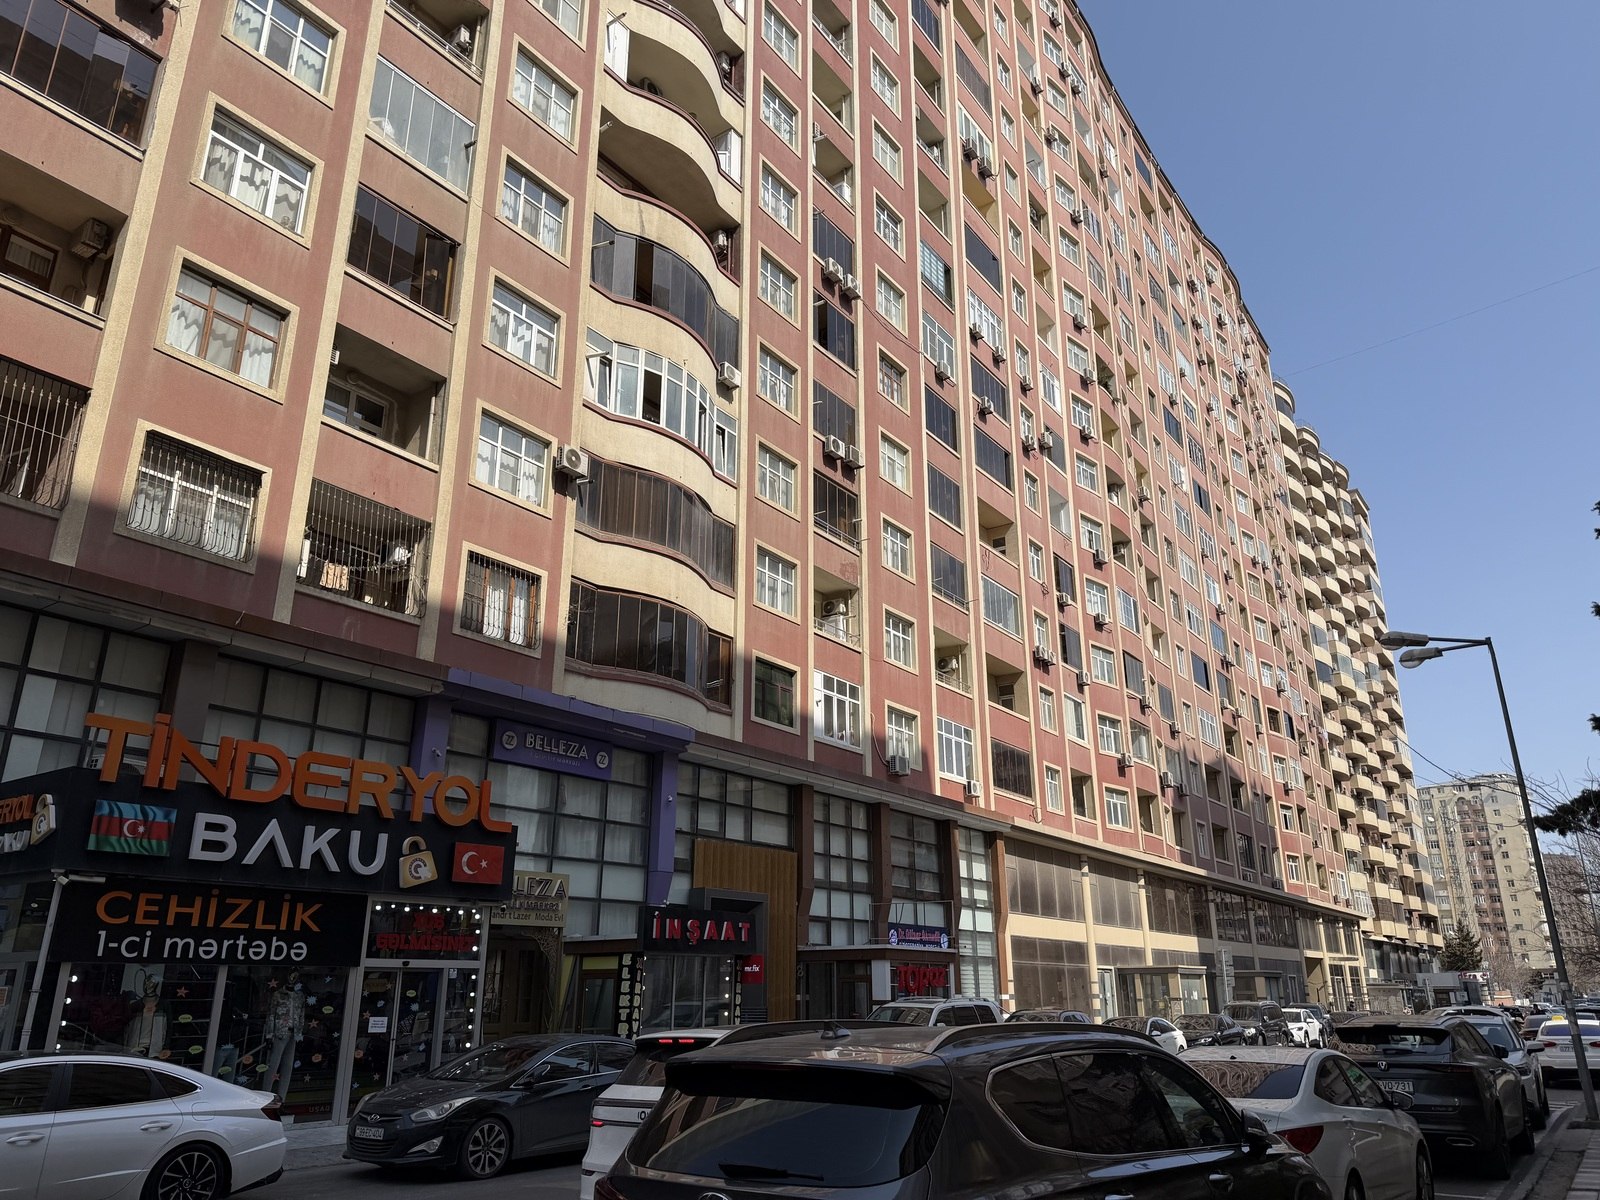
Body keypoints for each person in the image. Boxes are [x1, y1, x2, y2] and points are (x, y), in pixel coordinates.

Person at [263, 971, 306, 1102]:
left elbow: (301, 1015)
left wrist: (299, 1033)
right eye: (291, 975)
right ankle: (265, 1094)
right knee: (273, 1064)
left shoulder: (300, 996)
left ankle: (282, 1098)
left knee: (287, 1065)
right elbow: (271, 1015)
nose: (293, 978)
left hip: (294, 1033)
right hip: (280, 1032)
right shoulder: (278, 995)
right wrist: (269, 1034)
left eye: (295, 976)